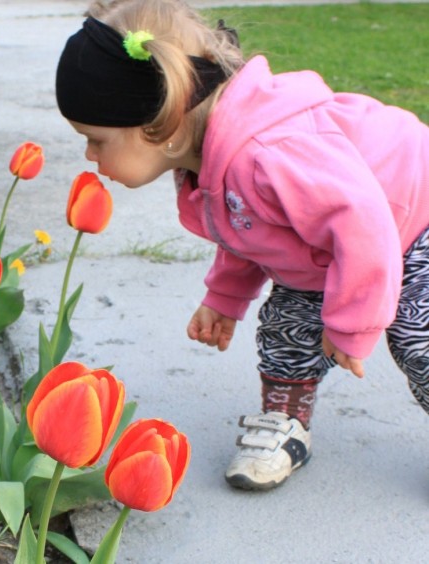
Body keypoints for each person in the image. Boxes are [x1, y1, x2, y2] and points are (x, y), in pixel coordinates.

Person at [55, 0, 429, 490]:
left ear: (158, 127)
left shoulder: (270, 154)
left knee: (416, 339)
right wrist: (226, 298)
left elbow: (365, 225)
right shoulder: (211, 159)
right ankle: (287, 425)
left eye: (97, 140)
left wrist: (352, 323)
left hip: (407, 216)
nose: (89, 154)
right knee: (284, 331)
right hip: (329, 247)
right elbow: (247, 226)